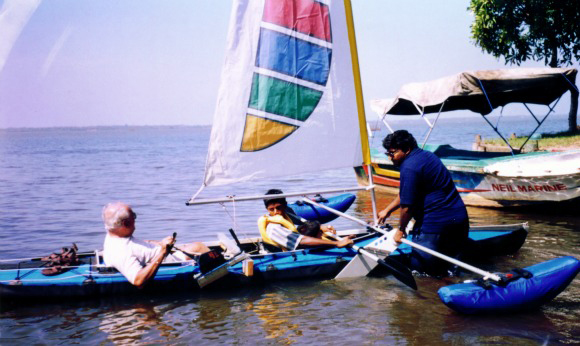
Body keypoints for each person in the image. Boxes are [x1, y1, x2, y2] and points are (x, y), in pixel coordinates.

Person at [377, 130, 469, 276]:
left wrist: (401, 230)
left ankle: (426, 296)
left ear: (406, 150)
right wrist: (388, 210)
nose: (390, 158)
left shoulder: (409, 167)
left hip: (434, 225)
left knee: (421, 273)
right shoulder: (427, 156)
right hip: (459, 220)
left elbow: (408, 206)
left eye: (392, 153)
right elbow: (407, 193)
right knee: (452, 269)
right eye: (387, 154)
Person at [102, 202, 210, 288]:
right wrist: (163, 252)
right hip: (164, 260)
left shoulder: (114, 235)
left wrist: (159, 244)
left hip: (162, 253)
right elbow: (138, 281)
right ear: (126, 223)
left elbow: (135, 245)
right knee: (198, 247)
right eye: (133, 216)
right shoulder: (120, 251)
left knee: (190, 247)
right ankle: (223, 274)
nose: (135, 219)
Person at [258, 189, 353, 251]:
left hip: (291, 243)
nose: (276, 212)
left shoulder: (287, 214)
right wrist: (337, 243)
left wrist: (323, 228)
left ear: (285, 205)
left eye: (279, 208)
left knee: (314, 224)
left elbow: (304, 222)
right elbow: (301, 241)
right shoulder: (274, 227)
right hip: (283, 255)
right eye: (271, 209)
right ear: (267, 209)